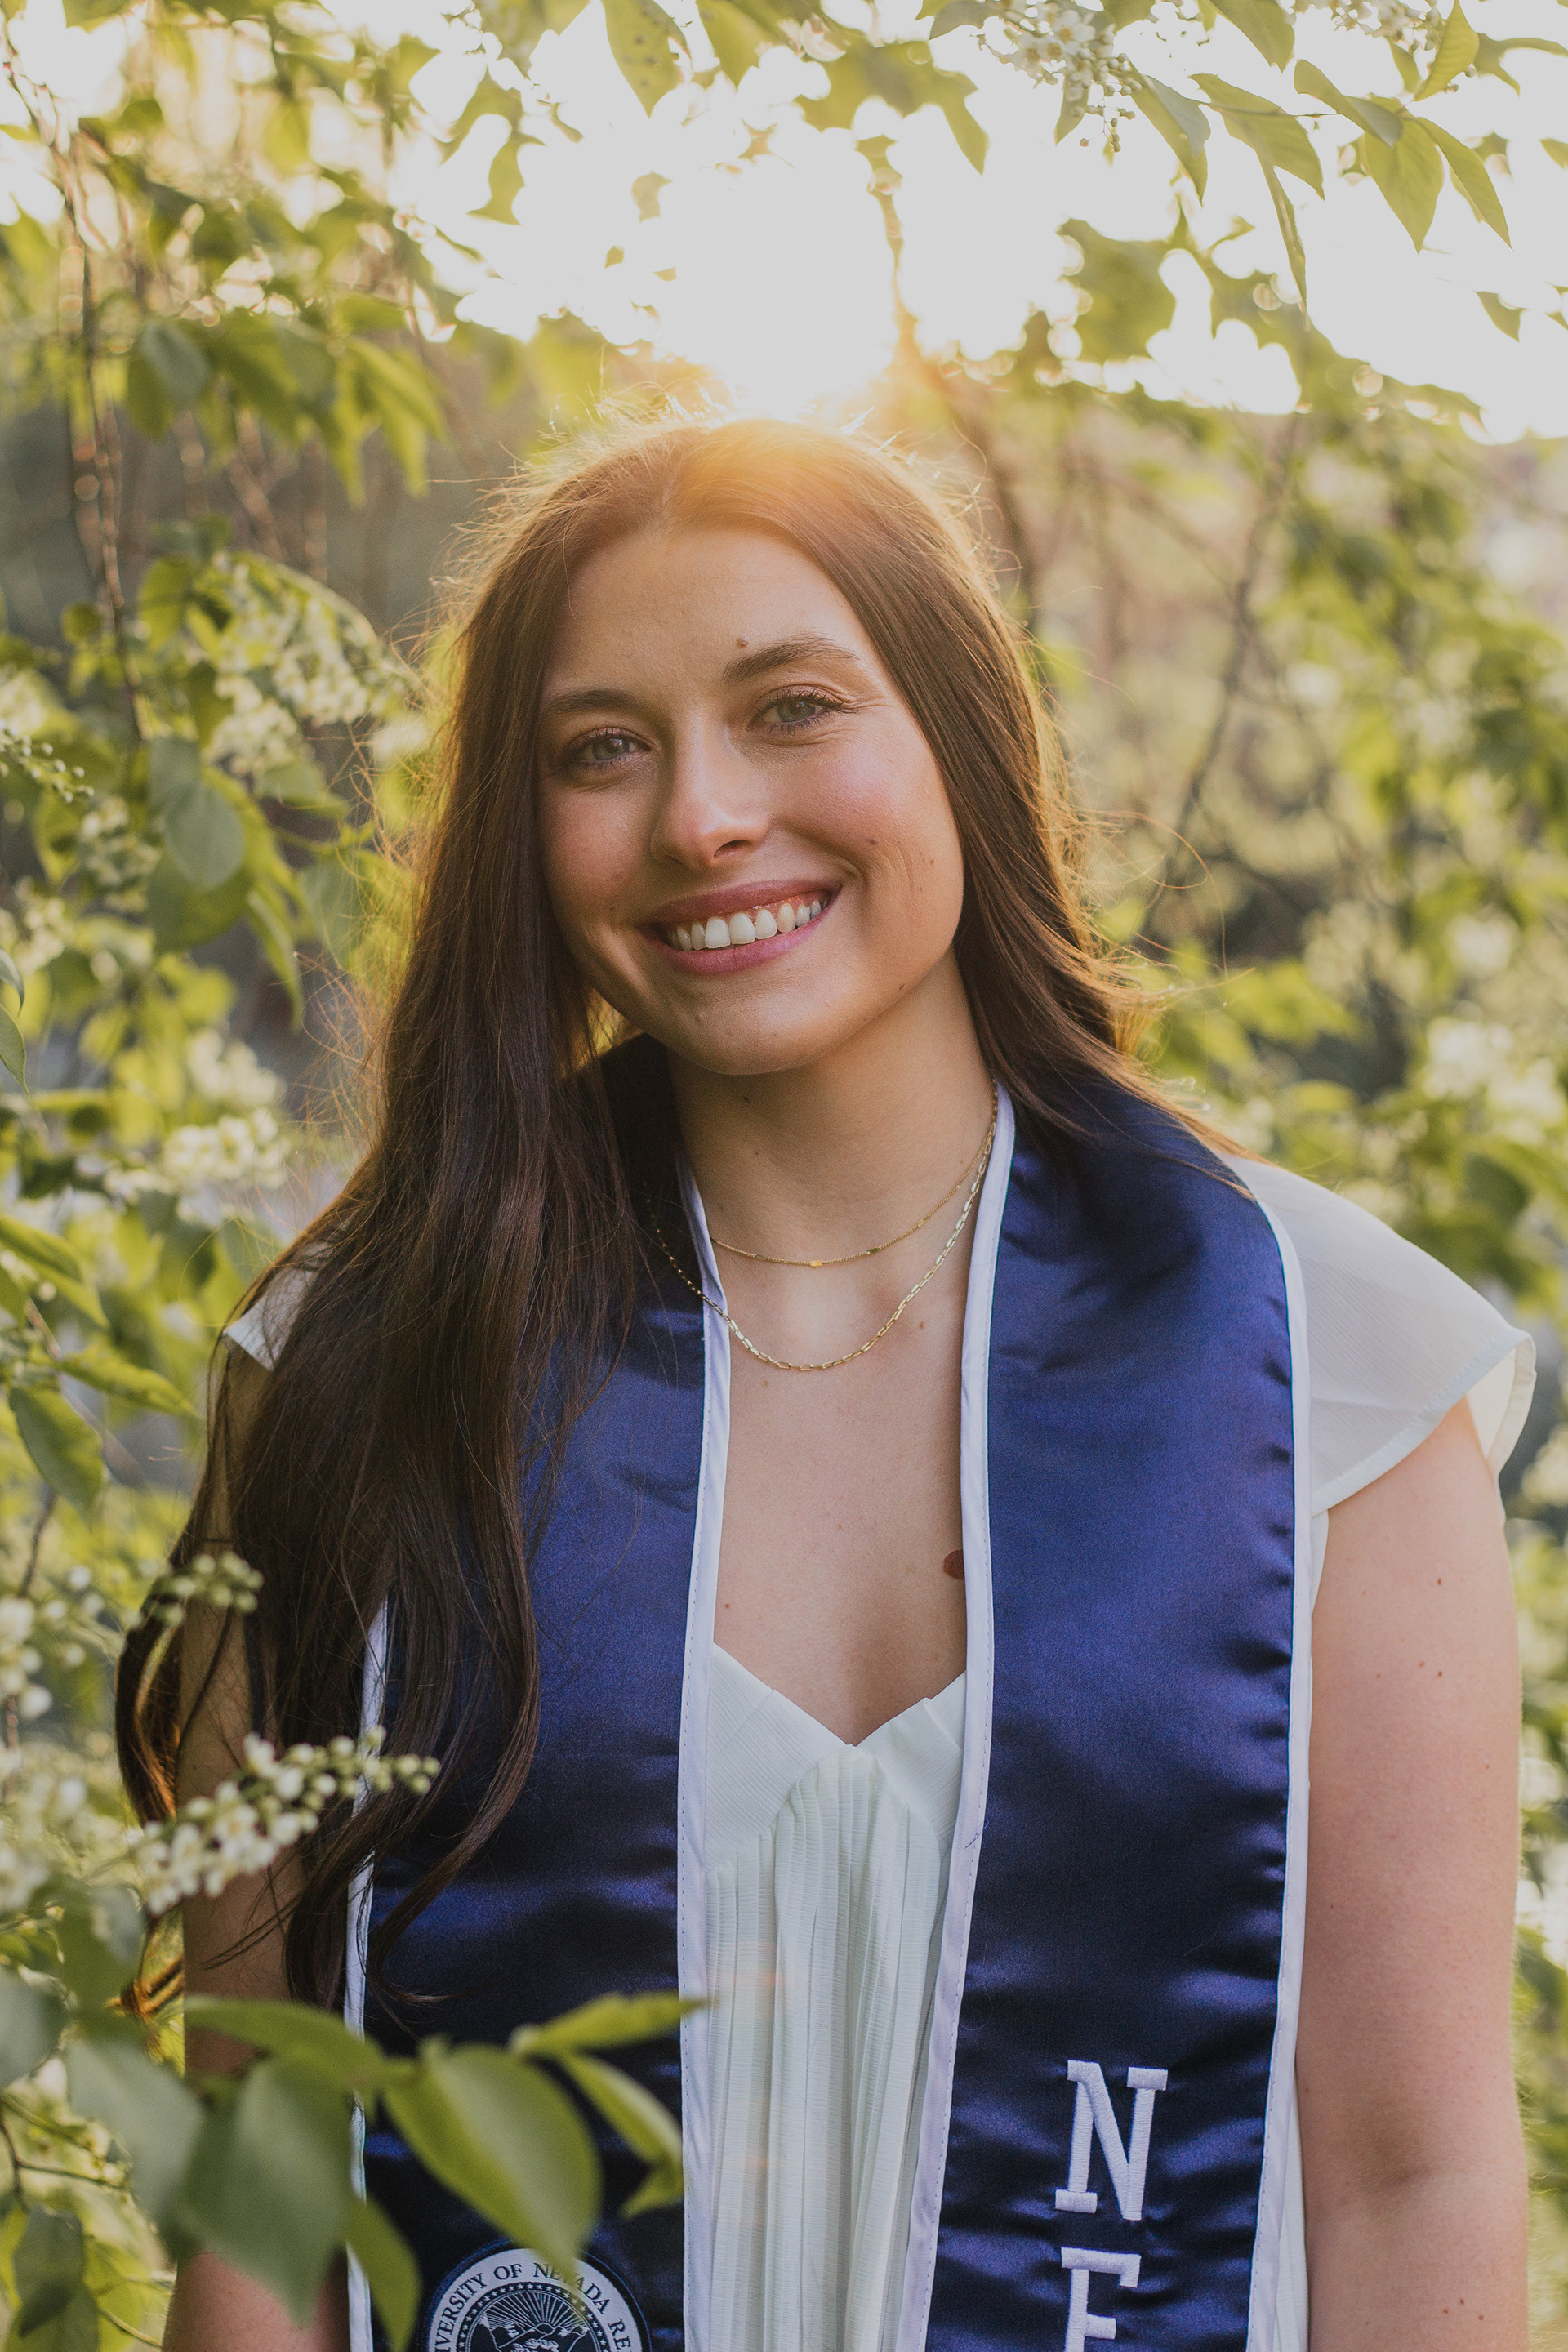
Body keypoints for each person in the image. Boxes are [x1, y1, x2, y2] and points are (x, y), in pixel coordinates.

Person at [121, 418, 1533, 2352]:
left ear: (960, 737)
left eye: (790, 707)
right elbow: (267, 2207)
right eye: (601, 749)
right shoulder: (363, 1372)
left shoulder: (1330, 1376)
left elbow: (1413, 2178)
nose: (702, 818)